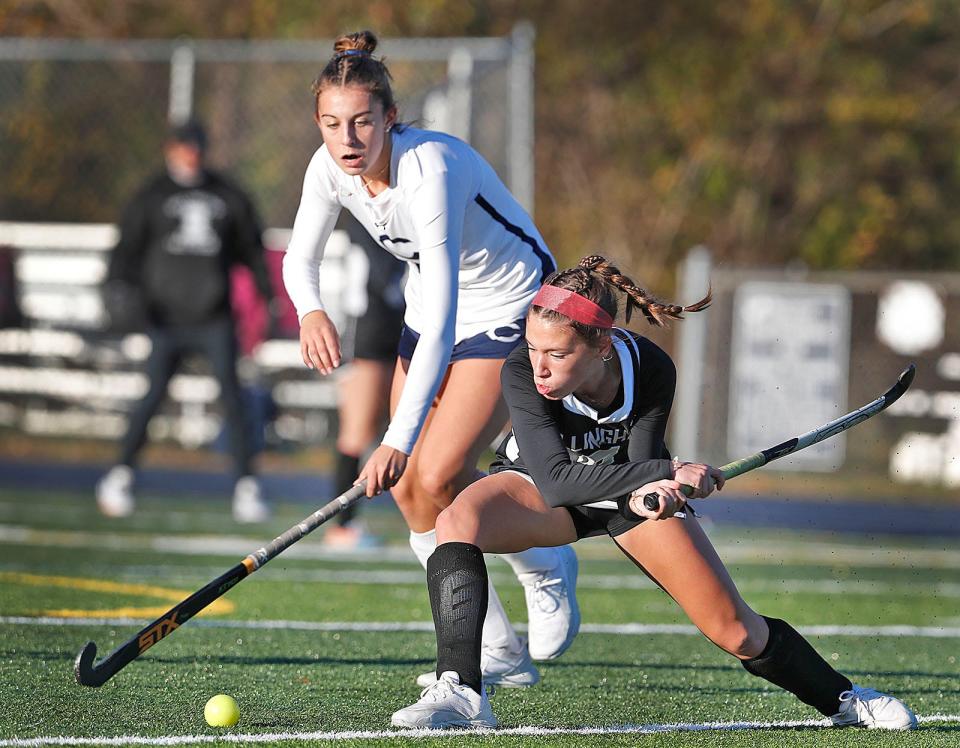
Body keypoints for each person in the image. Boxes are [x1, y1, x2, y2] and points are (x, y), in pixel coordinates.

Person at [390, 255, 918, 731]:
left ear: (601, 344)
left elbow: (640, 465)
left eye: (557, 352)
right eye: (533, 347)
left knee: (735, 630)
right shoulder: (522, 371)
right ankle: (461, 691)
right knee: (457, 522)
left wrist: (659, 489)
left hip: (622, 498)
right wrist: (666, 472)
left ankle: (848, 700)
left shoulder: (652, 367)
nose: (540, 364)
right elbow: (554, 482)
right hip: (541, 488)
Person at [282, 30, 580, 688]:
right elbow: (300, 261)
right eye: (332, 124)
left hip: (508, 306)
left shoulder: (431, 169)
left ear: (390, 117)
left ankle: (545, 560)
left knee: (433, 471)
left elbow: (448, 313)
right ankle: (499, 650)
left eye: (362, 121)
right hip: (431, 310)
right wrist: (311, 309)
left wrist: (395, 437)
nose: (348, 138)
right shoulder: (329, 168)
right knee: (413, 493)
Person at [96, 119, 275, 524]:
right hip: (166, 317)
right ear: (170, 148)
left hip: (214, 316)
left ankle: (247, 486)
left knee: (233, 399)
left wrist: (267, 297)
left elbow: (251, 247)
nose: (190, 155)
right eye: (183, 147)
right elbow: (126, 249)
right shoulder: (153, 195)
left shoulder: (226, 194)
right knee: (152, 397)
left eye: (196, 147)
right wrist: (118, 288)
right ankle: (120, 474)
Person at [323, 212, 406, 549]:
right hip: (368, 332)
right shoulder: (368, 218)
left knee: (390, 428)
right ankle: (341, 526)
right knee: (356, 432)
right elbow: (380, 277)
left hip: (394, 327)